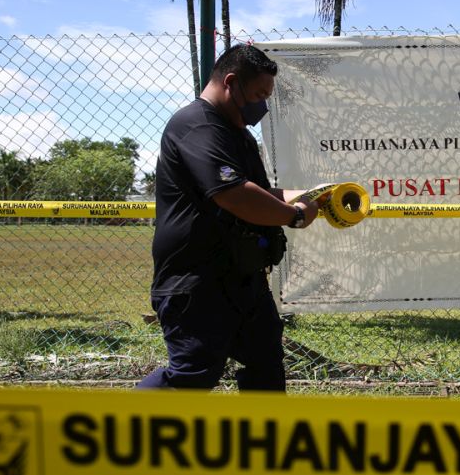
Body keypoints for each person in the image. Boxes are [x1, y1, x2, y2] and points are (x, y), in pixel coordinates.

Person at [137, 44, 326, 392]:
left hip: (242, 278)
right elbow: (232, 194)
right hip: (197, 282)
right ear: (230, 82)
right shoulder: (196, 126)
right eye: (258, 95)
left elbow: (260, 192)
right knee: (192, 376)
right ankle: (119, 420)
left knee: (266, 366)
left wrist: (313, 196)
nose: (261, 106)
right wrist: (294, 216)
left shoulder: (237, 134)